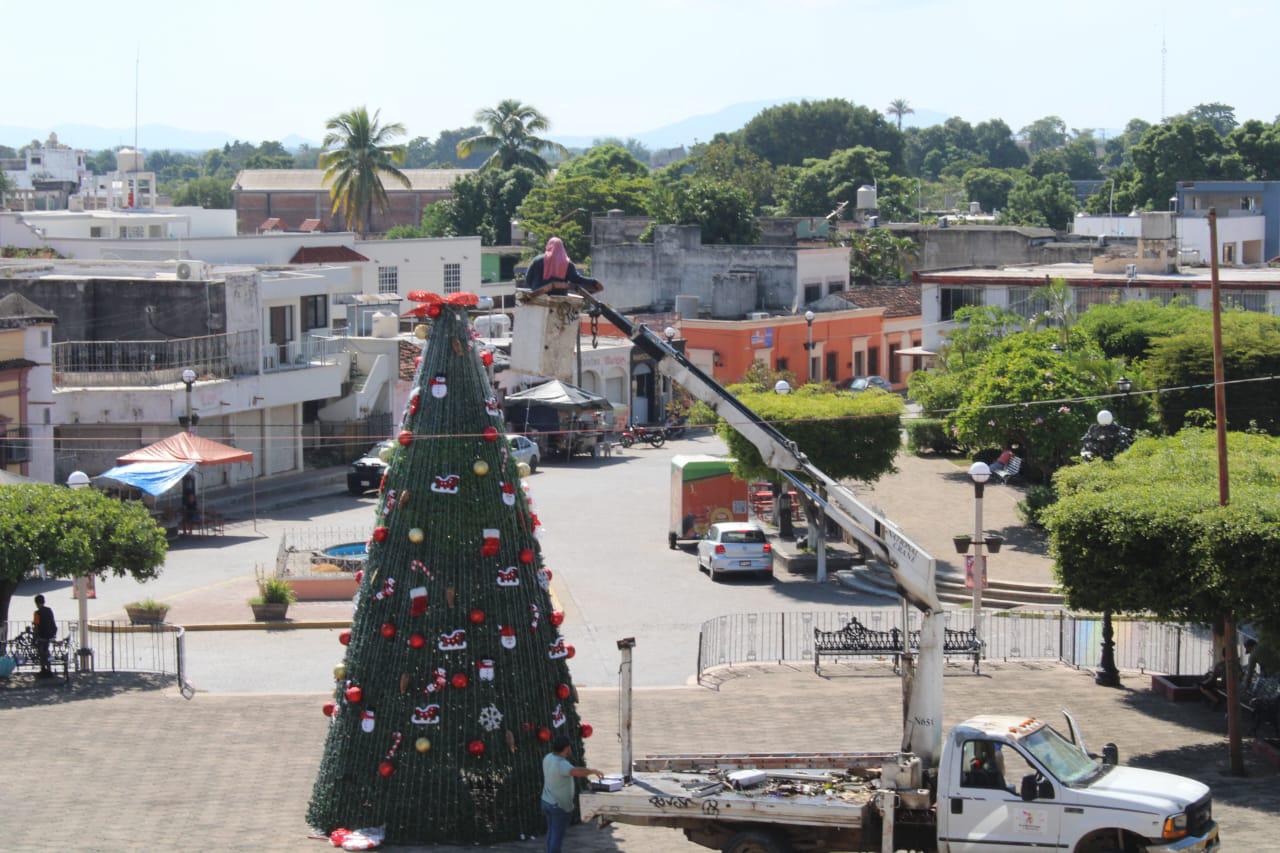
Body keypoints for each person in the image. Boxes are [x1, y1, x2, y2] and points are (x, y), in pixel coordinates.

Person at [541, 735, 602, 853]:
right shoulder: (561, 764)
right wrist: (592, 771)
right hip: (558, 806)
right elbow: (577, 771)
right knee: (556, 837)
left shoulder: (548, 757)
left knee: (551, 832)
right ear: (567, 748)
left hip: (546, 801)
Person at [523, 237, 603, 296]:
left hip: (538, 294)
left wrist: (535, 286)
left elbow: (528, 278)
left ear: (548, 246)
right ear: (562, 248)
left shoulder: (537, 260)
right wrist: (593, 282)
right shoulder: (567, 263)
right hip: (559, 296)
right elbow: (576, 279)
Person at [32, 594, 57, 679]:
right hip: (49, 635)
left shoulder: (37, 613)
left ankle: (43, 670)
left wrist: (35, 636)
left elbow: (36, 625)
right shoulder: (49, 610)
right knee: (46, 651)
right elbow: (52, 621)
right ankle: (49, 669)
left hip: (41, 636)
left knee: (41, 653)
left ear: (36, 603)